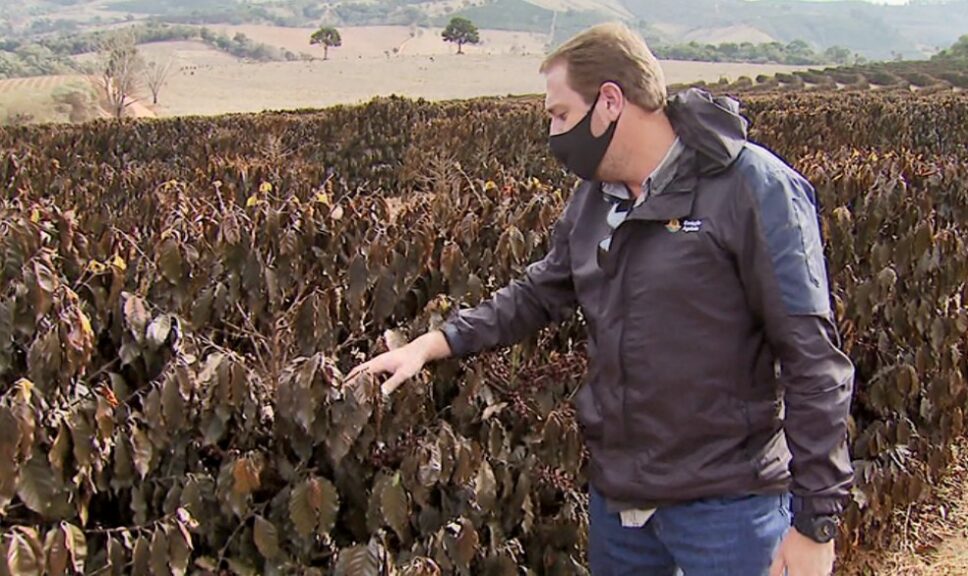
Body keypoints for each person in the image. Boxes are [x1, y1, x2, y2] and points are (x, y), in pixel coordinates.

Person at [348, 22, 854, 576]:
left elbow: (814, 360)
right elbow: (540, 290)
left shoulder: (754, 187)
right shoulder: (593, 200)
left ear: (610, 101)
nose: (553, 132)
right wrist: (432, 343)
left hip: (729, 506)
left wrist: (815, 524)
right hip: (621, 504)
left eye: (561, 114)